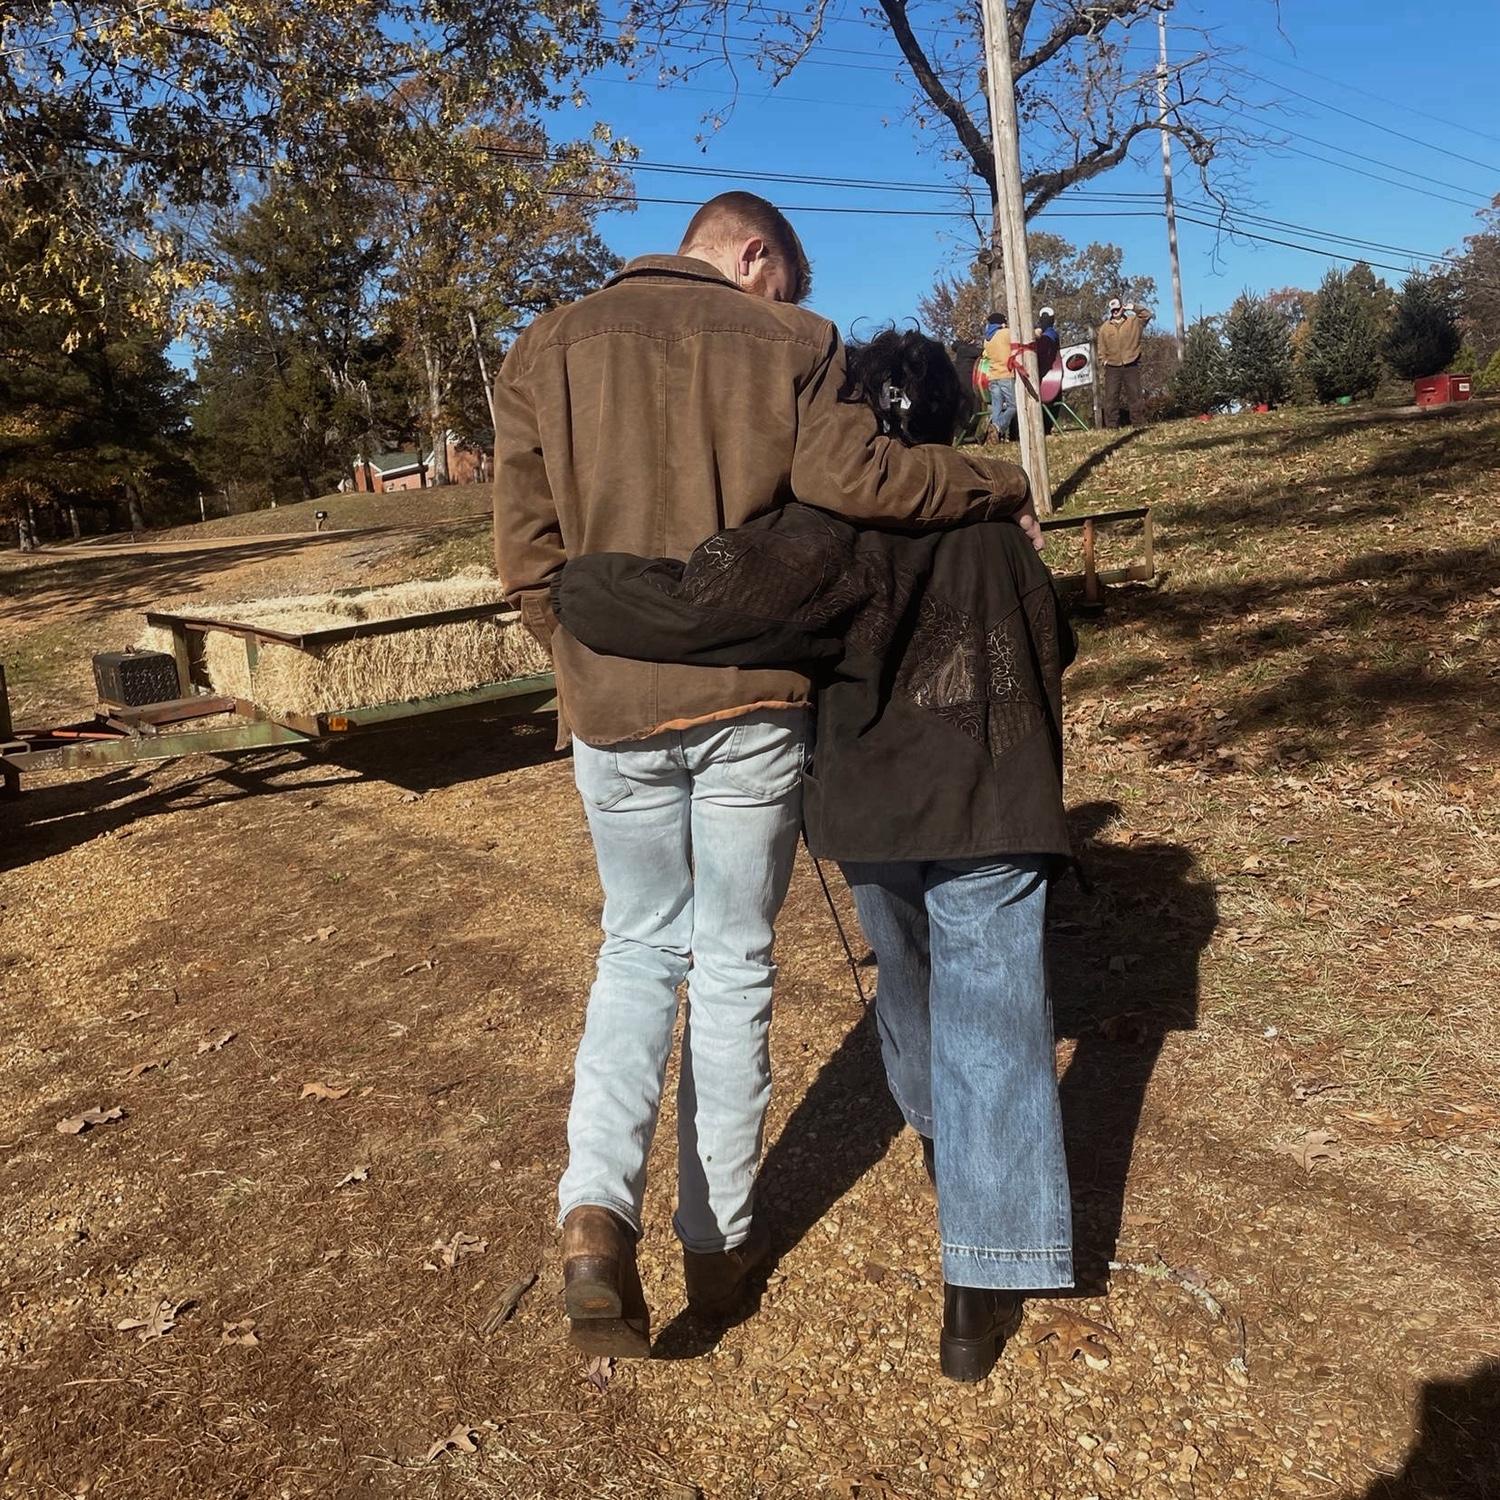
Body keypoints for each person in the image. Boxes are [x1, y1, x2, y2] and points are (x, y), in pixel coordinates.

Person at [491, 194, 1038, 1360]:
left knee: (636, 948)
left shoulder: (542, 350)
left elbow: (525, 558)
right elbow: (870, 488)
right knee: (734, 963)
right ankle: (715, 1238)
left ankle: (596, 1217)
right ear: (753, 257)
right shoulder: (794, 343)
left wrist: (583, 665)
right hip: (749, 698)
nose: (789, 299)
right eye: (785, 278)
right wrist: (997, 481)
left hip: (609, 708)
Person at [1097, 297, 1152, 428]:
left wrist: (1133, 307)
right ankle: (1111, 426)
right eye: (1113, 310)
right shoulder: (1104, 328)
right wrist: (1103, 360)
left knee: (1135, 395)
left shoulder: (1134, 321)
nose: (1115, 311)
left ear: (1122, 307)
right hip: (1112, 366)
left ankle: (1138, 424)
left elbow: (1147, 314)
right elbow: (1101, 347)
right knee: (1111, 397)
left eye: (1117, 308)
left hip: (1131, 363)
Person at [981, 311, 1016, 441]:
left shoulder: (987, 340)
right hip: (1005, 375)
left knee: (997, 408)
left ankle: (994, 437)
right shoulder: (1005, 333)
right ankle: (997, 426)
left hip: (993, 376)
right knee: (1014, 405)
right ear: (1002, 323)